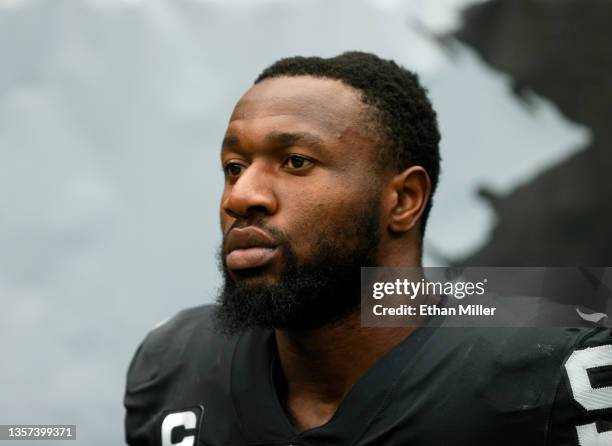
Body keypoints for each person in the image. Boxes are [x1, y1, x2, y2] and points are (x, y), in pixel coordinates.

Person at [124, 52, 612, 446]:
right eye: (234, 166)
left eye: (295, 161)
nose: (241, 196)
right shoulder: (172, 365)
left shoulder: (562, 361)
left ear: (402, 200)